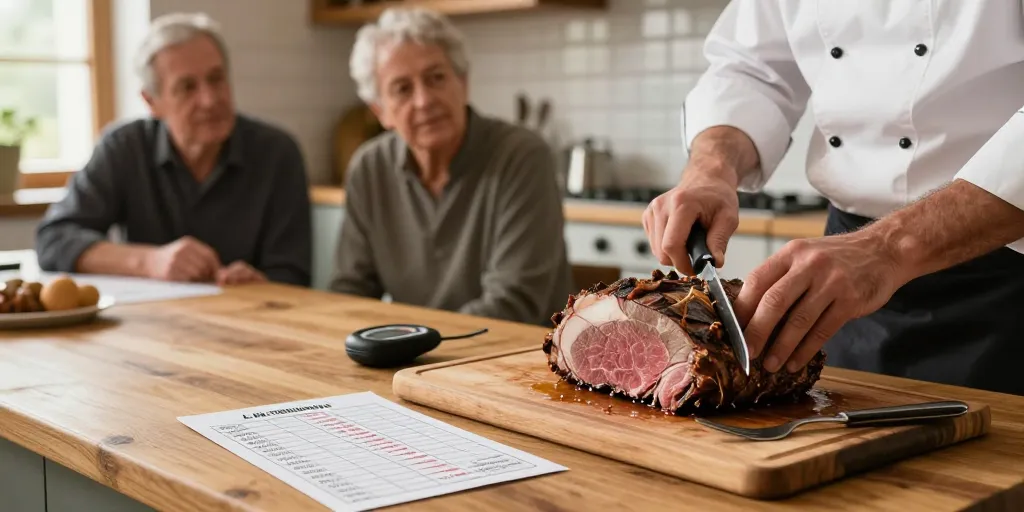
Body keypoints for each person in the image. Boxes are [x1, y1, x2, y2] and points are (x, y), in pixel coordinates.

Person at [644, 1, 1024, 395]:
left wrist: (887, 248)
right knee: (847, 436)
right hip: (844, 273)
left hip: (1005, 263)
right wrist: (711, 168)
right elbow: (751, 70)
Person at [329, 7, 573, 326]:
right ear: (380, 112)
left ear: (463, 83)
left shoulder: (522, 156)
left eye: (436, 78)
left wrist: (412, 340)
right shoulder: (369, 167)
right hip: (417, 362)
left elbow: (513, 304)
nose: (424, 100)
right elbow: (350, 293)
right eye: (403, 88)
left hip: (520, 363)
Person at [35, 13, 312, 287]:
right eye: (187, 87)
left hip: (248, 320)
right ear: (152, 102)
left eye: (216, 79)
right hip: (149, 324)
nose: (209, 100)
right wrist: (149, 262)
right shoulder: (124, 147)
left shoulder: (277, 153)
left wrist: (259, 282)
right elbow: (54, 240)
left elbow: (294, 273)